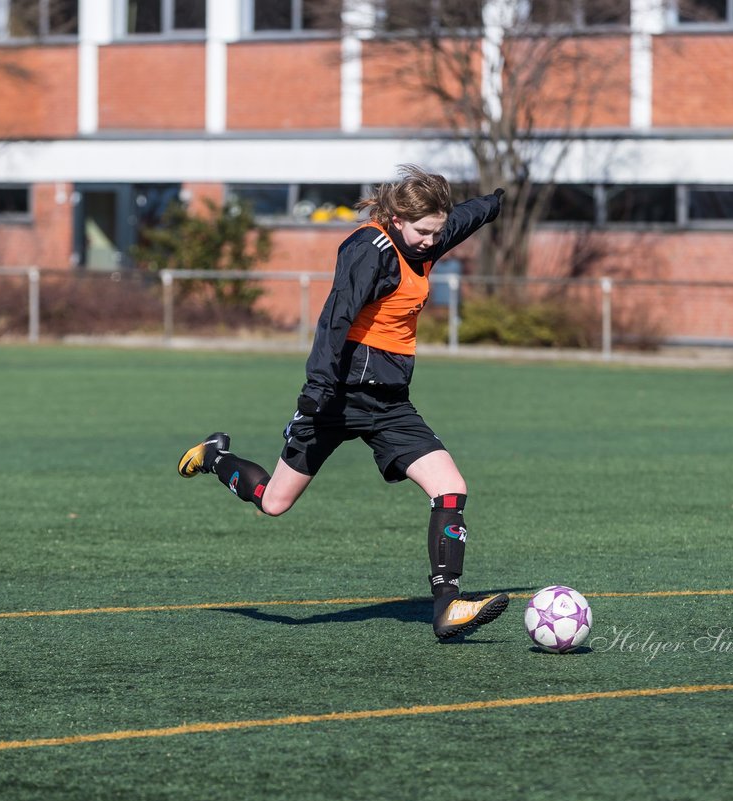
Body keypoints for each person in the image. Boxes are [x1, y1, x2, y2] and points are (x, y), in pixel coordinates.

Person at [178, 165, 508, 641]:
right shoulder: (367, 251)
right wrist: (315, 392)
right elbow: (335, 320)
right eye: (422, 232)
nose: (431, 242)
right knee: (274, 503)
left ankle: (447, 605)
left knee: (451, 488)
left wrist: (496, 201)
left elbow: (463, 219)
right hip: (336, 397)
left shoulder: (427, 236)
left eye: (438, 232)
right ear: (396, 218)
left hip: (390, 403)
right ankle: (216, 456)